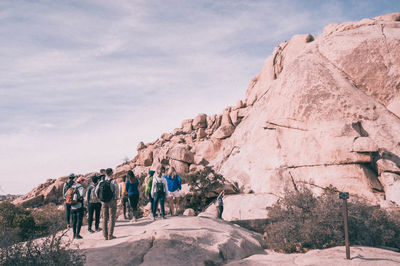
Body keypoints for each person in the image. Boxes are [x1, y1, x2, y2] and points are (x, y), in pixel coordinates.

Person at [95, 168, 119, 240]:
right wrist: (116, 198)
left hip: (103, 201)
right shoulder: (113, 181)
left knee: (105, 218)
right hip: (112, 200)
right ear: (111, 173)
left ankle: (105, 235)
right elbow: (117, 191)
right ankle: (110, 235)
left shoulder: (101, 181)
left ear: (106, 173)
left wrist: (100, 198)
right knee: (112, 217)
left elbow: (96, 191)